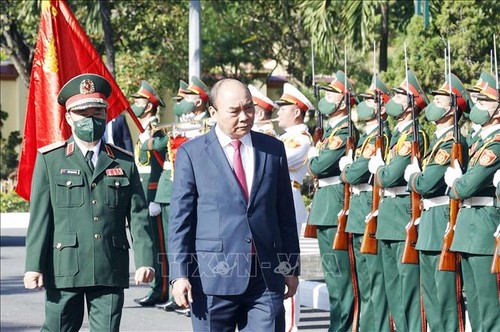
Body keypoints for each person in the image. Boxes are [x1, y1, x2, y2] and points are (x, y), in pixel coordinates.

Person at [23, 73, 155, 331]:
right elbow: (40, 218)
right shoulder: (52, 159)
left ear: (105, 115)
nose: (91, 119)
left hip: (109, 266)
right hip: (64, 268)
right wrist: (33, 266)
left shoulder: (123, 161)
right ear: (69, 117)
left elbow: (138, 215)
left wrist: (145, 260)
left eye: (97, 112)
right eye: (83, 113)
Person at [168, 78, 300, 331]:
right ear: (213, 113)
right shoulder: (192, 154)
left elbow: (284, 214)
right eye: (234, 111)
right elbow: (180, 221)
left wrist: (290, 266)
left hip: (265, 277)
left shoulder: (272, 149)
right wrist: (179, 274)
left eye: (248, 108)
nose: (244, 116)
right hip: (212, 279)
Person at [404, 73, 470, 331]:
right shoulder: (440, 142)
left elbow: (426, 183)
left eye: (442, 100)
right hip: (429, 223)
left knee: (446, 301)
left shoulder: (453, 143)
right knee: (431, 300)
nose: (434, 103)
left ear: (453, 109)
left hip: (443, 219)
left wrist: (413, 177)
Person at [368, 70, 429, 332]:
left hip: (403, 211)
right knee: (393, 290)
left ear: (412, 103)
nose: (393, 98)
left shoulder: (414, 135)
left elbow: (391, 176)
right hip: (388, 213)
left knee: (409, 292)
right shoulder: (395, 135)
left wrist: (378, 170)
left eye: (400, 95)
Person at [444, 82, 500, 331]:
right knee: (476, 309)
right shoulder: (480, 142)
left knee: (489, 311)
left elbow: (466, 187)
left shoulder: (496, 145)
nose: (477, 106)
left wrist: (455, 183)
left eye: (484, 101)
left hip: (483, 232)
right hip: (469, 230)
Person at [307, 70, 360, 332]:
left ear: (343, 100)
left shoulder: (345, 131)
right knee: (332, 276)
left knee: (342, 276)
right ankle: (338, 324)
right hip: (325, 204)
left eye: (331, 93)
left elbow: (318, 166)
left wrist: (313, 158)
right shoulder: (330, 131)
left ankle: (344, 326)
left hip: (336, 204)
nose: (326, 98)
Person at [339, 76, 392, 332]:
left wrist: (348, 169)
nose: (364, 103)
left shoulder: (381, 136)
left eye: (371, 100)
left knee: (375, 283)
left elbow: (354, 174)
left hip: (370, 211)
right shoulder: (367, 137)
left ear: (382, 107)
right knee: (365, 282)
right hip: (359, 210)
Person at [276, 82, 314, 332]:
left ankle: (292, 326)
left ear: (296, 112)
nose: (278, 112)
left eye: (283, 108)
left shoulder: (299, 139)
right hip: (279, 200)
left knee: (287, 267)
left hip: (289, 200)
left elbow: (280, 159)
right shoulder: (284, 138)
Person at [131, 80, 170, 307]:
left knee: (162, 245)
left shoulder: (157, 131)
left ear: (148, 106)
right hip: (143, 191)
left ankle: (163, 289)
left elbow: (160, 164)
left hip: (153, 192)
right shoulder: (144, 131)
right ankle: (158, 288)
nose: (134, 104)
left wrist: (154, 197)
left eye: (139, 101)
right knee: (152, 244)